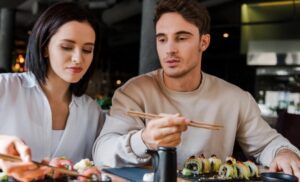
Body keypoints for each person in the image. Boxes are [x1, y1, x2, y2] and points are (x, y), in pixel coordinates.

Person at [93, 0, 300, 179]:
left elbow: (268, 144)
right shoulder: (134, 92)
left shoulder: (235, 98)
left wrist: (283, 153)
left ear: (204, 42)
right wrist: (144, 139)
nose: (170, 49)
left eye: (181, 38)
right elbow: (102, 153)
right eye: (162, 39)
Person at [0, 2, 105, 181]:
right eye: (67, 47)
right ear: (44, 48)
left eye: (87, 50)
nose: (78, 58)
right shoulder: (5, 88)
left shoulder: (92, 113)